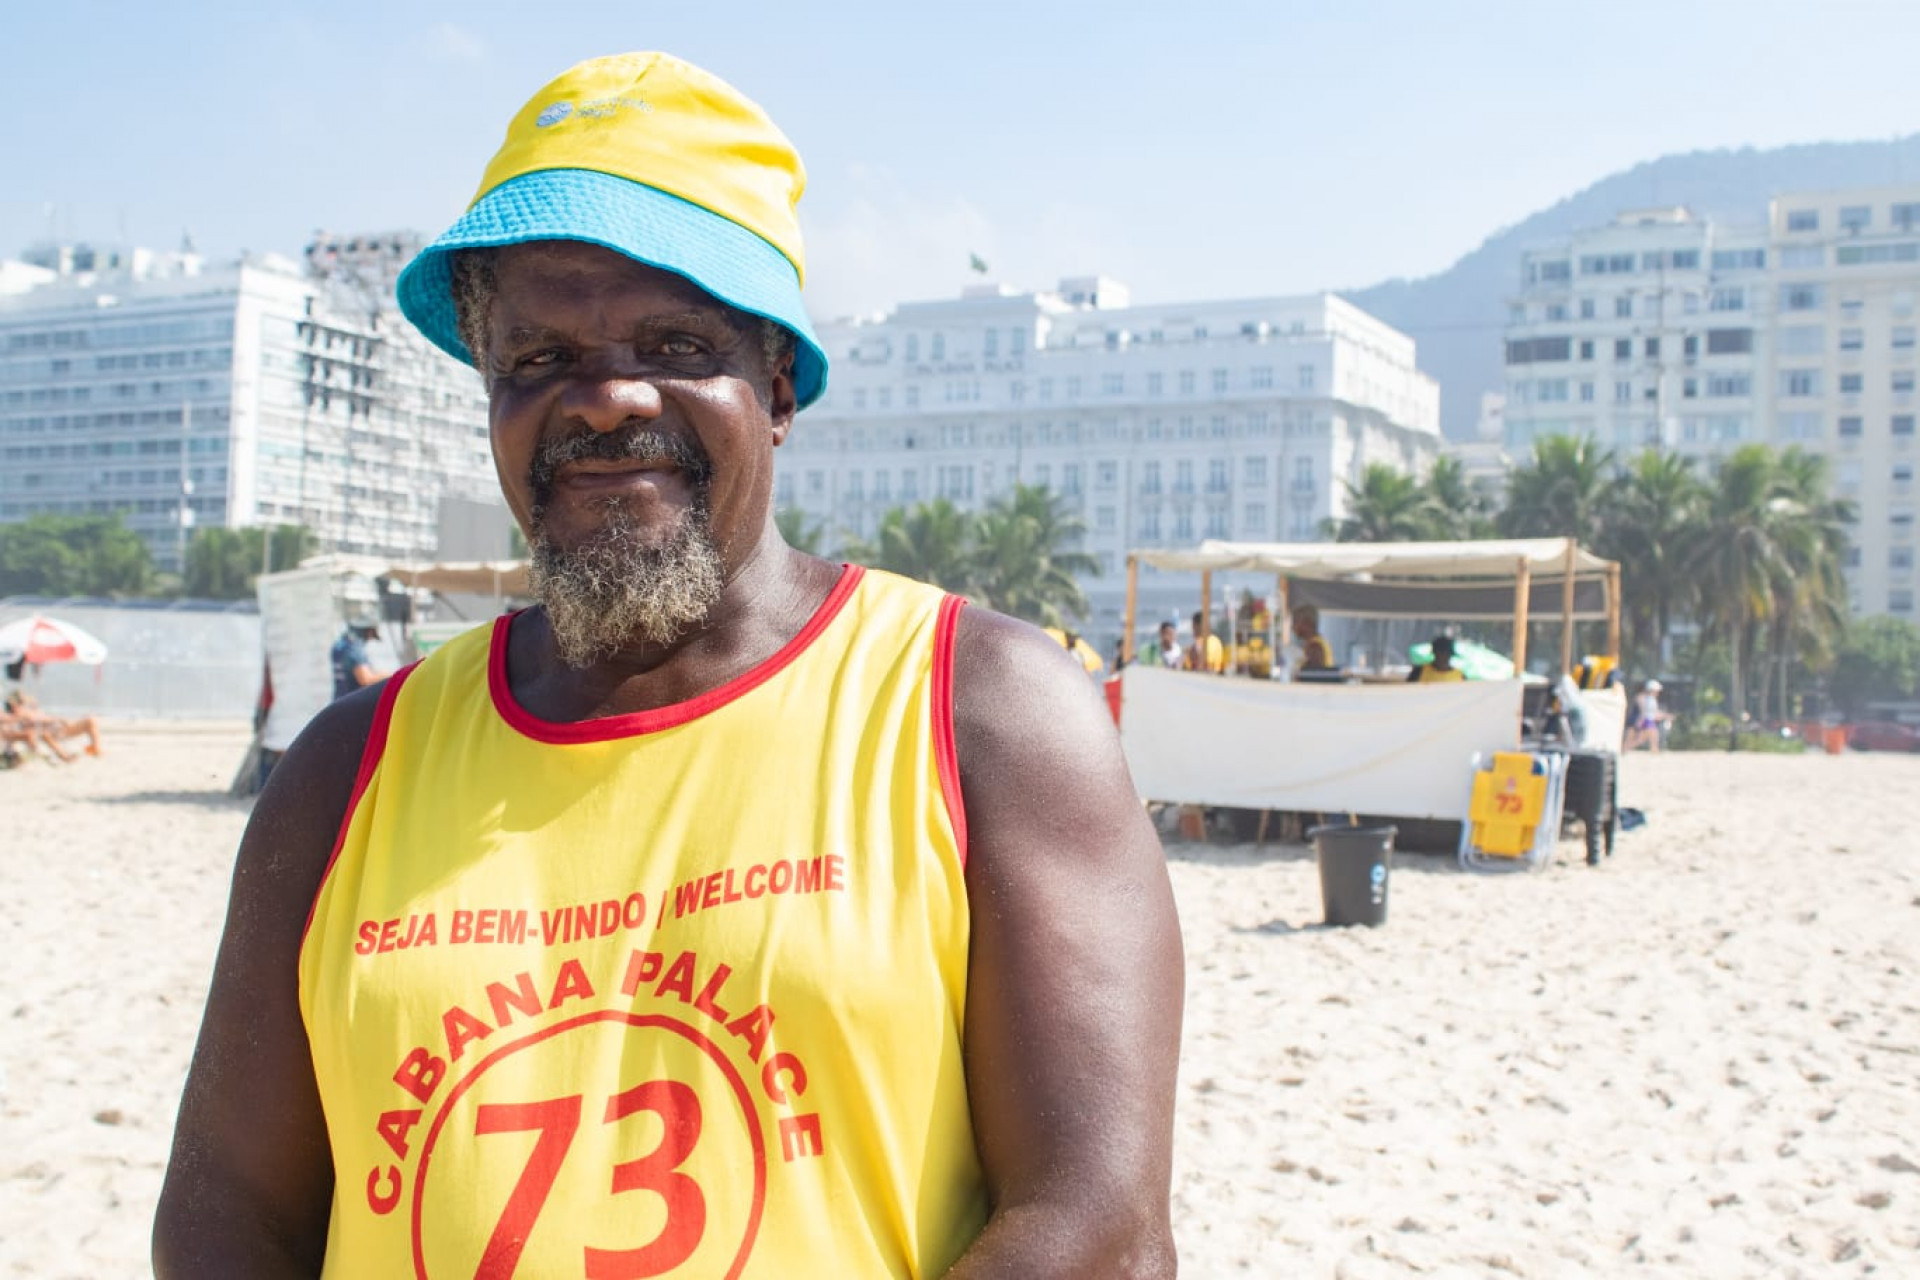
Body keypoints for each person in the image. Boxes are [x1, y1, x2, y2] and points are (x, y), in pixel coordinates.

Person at [155, 52, 1182, 1280]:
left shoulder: (981, 713)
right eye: (537, 358)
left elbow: (1095, 1227)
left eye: (675, 339)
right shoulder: (342, 773)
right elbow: (229, 1222)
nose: (603, 397)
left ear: (780, 383)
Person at [3, 688, 102, 758]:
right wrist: (57, 719)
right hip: (52, 732)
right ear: (14, 704)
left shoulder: (28, 710)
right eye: (21, 700)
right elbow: (34, 723)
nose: (24, 701)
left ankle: (94, 749)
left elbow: (36, 711)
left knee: (91, 720)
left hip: (60, 728)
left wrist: (58, 720)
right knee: (47, 733)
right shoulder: (18, 715)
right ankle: (65, 756)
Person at [328, 610, 388, 701]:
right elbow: (365, 679)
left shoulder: (340, 644)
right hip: (350, 705)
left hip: (337, 702)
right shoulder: (355, 648)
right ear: (370, 631)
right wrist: (394, 675)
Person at [1626, 678, 1671, 751]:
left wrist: (1665, 715)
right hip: (1647, 721)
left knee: (1644, 738)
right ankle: (1626, 749)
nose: (1658, 693)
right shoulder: (1648, 699)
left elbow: (1652, 712)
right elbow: (1647, 712)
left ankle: (1626, 748)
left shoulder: (1650, 699)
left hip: (1648, 721)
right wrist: (1640, 721)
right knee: (1649, 737)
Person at [1292, 604, 1335, 676]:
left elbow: (1312, 675)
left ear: (1307, 623)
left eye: (1295, 622)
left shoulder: (1315, 646)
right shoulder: (1318, 642)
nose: (1292, 627)